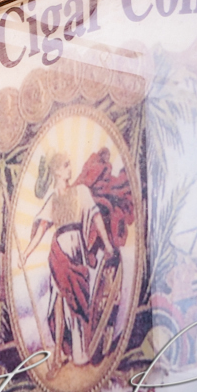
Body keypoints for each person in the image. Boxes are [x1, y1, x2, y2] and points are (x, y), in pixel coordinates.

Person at [24, 149, 130, 370]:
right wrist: (25, 254)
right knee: (59, 303)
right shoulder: (52, 200)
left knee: (79, 300)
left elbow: (96, 218)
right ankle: (58, 355)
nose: (70, 170)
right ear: (55, 170)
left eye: (70, 165)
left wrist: (108, 245)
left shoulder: (81, 192)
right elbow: (41, 230)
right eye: (65, 166)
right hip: (59, 252)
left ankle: (80, 352)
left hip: (77, 250)